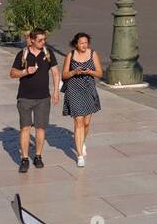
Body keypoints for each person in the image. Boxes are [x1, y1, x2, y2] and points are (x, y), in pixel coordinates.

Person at [10, 29, 60, 172]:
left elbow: (56, 73)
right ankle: (24, 159)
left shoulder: (48, 53)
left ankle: (38, 156)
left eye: (44, 39)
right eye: (40, 40)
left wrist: (56, 91)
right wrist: (26, 71)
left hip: (43, 98)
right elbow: (12, 73)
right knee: (25, 128)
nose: (43, 42)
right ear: (31, 40)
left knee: (40, 128)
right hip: (25, 97)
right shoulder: (23, 54)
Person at [62, 32, 103, 166]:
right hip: (74, 89)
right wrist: (74, 72)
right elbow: (64, 75)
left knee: (86, 123)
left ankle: (82, 141)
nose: (84, 45)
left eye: (86, 43)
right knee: (78, 122)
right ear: (76, 44)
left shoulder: (93, 54)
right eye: (81, 43)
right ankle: (79, 156)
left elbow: (100, 73)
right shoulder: (71, 55)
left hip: (88, 89)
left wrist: (89, 71)